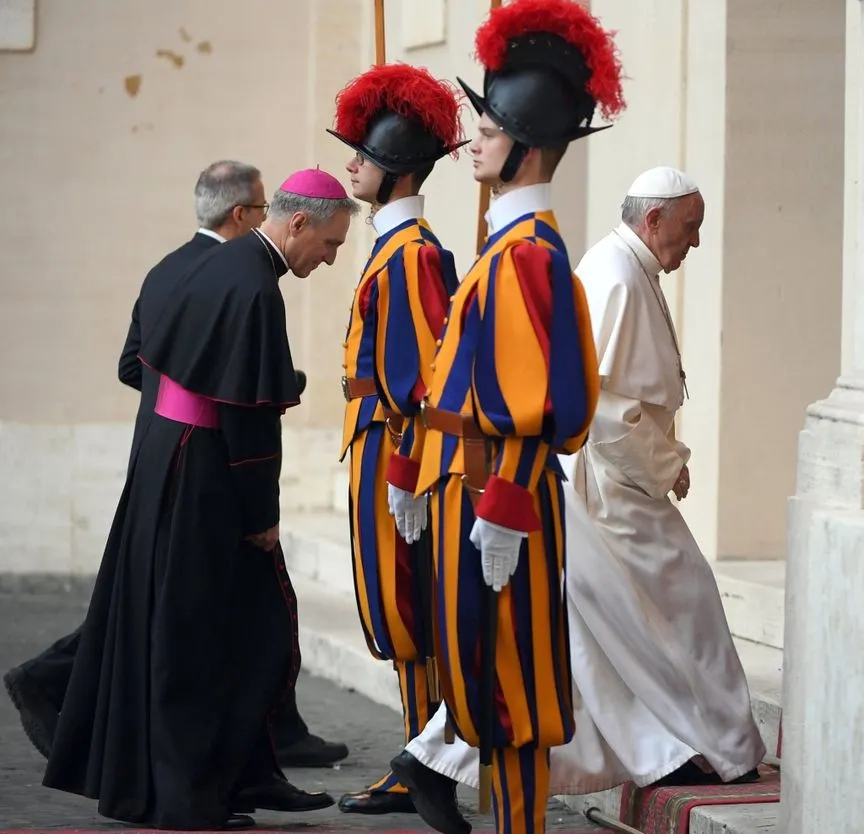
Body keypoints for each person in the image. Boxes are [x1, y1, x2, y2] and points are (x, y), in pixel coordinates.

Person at [393, 169, 765, 833]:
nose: (697, 243)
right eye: (690, 228)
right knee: (671, 611)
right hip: (606, 489)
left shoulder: (623, 264)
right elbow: (609, 412)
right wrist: (667, 465)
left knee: (586, 649)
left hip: (607, 482)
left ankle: (668, 751)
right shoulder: (616, 273)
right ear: (654, 221)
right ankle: (691, 748)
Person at [2, 161, 348, 772]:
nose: (329, 259)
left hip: (163, 452)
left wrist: (190, 404)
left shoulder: (178, 267)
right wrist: (233, 417)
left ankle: (257, 756)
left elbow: (135, 365)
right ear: (271, 217)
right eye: (329, 244)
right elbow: (245, 410)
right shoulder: (249, 279)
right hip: (205, 465)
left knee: (152, 605)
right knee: (189, 619)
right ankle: (210, 767)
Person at [382, 2, 624, 832]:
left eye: (489, 127)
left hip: (496, 501)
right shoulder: (506, 248)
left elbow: (533, 408)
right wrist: (416, 472)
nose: (475, 140)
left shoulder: (523, 255)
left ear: (526, 145)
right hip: (470, 492)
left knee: (513, 697)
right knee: (484, 685)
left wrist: (507, 512)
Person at [324, 63, 470, 818]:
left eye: (363, 153)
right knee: (395, 610)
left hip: (393, 448)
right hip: (376, 442)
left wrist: (407, 471)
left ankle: (423, 762)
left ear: (397, 169)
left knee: (405, 609)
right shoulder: (392, 246)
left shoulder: (410, 253)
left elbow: (418, 383)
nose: (351, 163)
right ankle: (422, 755)